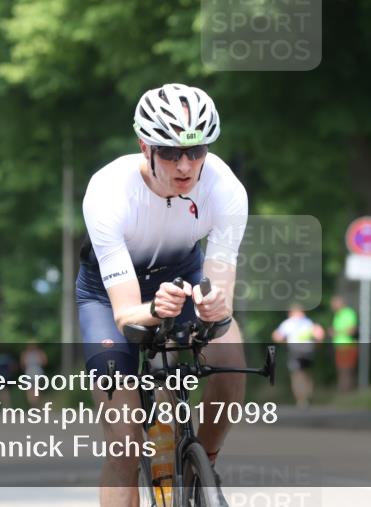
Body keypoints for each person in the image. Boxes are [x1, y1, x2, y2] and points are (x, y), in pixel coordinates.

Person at [77, 83, 248, 507]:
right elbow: (125, 313)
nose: (186, 165)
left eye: (197, 151)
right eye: (170, 152)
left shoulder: (226, 188)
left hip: (182, 278)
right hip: (110, 294)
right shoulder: (107, 192)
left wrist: (214, 304)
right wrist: (153, 309)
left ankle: (200, 467)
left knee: (230, 361)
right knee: (125, 438)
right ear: (145, 147)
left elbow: (220, 283)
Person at [272, 303, 325, 408]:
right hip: (308, 351)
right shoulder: (308, 322)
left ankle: (301, 398)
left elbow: (276, 336)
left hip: (295, 351)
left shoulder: (288, 323)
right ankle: (306, 395)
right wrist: (317, 345)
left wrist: (285, 343)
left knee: (297, 374)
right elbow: (319, 335)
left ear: (291, 313)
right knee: (305, 373)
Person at [328, 295, 358, 393]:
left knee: (346, 369)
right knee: (341, 369)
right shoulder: (337, 315)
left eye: (334, 303)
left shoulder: (348, 313)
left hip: (347, 345)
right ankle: (343, 391)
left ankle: (347, 392)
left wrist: (336, 332)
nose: (332, 306)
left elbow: (352, 330)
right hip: (339, 346)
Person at [20, 342, 48, 406]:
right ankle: (34, 404)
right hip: (34, 372)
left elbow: (22, 364)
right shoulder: (38, 353)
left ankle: (34, 404)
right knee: (33, 389)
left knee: (32, 389)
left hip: (32, 372)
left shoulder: (27, 353)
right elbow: (45, 362)